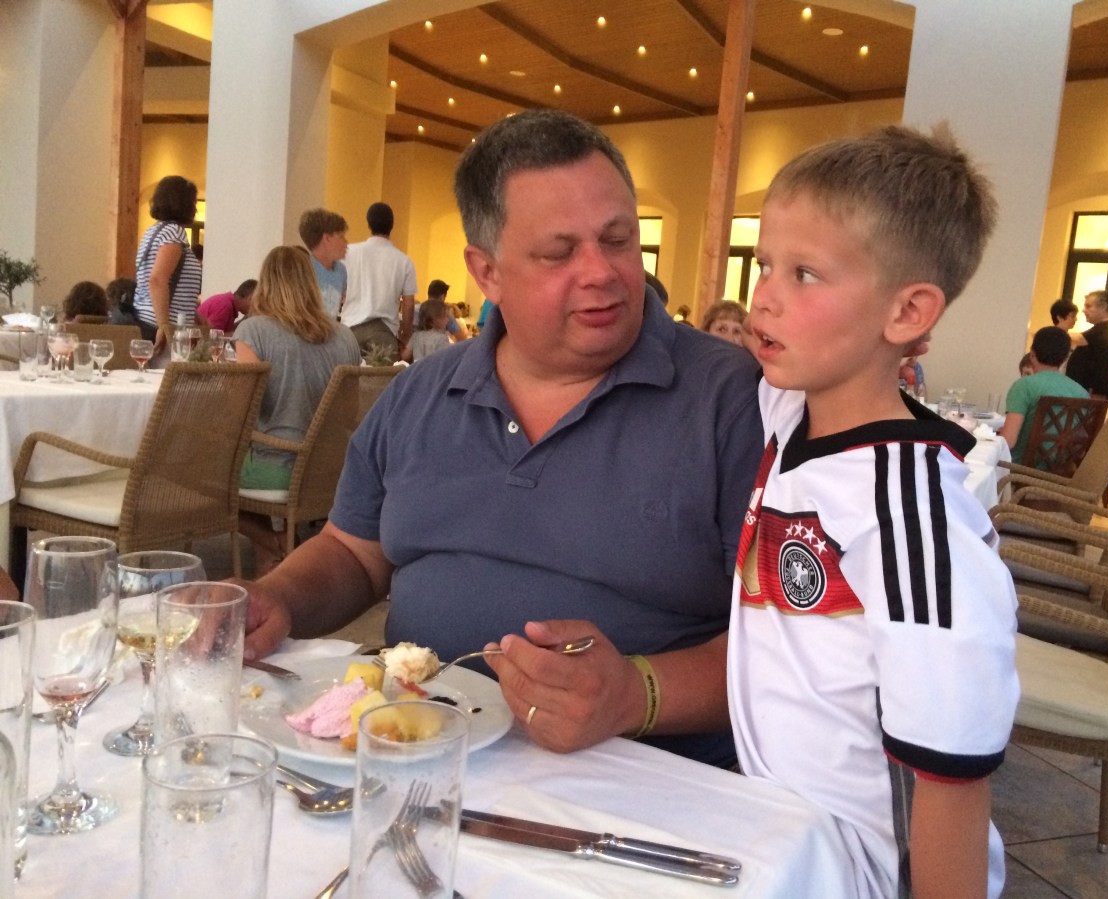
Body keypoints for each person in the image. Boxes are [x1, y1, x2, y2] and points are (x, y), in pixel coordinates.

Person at [237, 109, 763, 767]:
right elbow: (354, 551)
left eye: (619, 239)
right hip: (416, 759)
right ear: (486, 273)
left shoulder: (734, 401)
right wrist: (279, 598)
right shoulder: (418, 395)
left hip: (644, 786)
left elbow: (802, 655)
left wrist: (639, 692)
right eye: (559, 252)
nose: (601, 271)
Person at [730, 125, 1018, 899]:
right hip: (777, 839)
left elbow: (951, 778)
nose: (764, 296)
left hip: (861, 874)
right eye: (763, 264)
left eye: (805, 274)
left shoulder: (911, 523)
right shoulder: (789, 410)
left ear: (907, 311)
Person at [233, 246, 361, 575]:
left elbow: (244, 409)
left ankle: (277, 544)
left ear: (266, 282)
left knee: (196, 477)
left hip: (279, 469)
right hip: (333, 470)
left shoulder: (253, 331)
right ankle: (277, 556)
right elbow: (351, 412)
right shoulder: (346, 337)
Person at [131, 175, 203, 352]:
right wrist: (164, 326)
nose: (195, 208)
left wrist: (195, 315)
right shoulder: (174, 232)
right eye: (193, 202)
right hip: (160, 325)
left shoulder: (154, 231)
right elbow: (157, 280)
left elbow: (172, 284)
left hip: (146, 318)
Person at [999, 327, 1089, 464]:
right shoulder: (1082, 393)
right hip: (1062, 470)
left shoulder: (1024, 386)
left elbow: (1008, 442)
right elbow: (1080, 445)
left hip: (1020, 467)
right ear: (1066, 357)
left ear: (1032, 354)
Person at [342, 202, 418, 362]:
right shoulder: (404, 261)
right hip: (384, 333)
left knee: (347, 377)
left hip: (350, 332)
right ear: (392, 225)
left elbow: (338, 290)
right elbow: (408, 304)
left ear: (368, 223)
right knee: (383, 378)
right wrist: (405, 335)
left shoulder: (348, 253)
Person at [1064, 289, 1108, 400]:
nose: (1083, 310)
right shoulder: (1105, 329)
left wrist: (1050, 333)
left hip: (1093, 393)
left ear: (1103, 307)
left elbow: (1075, 339)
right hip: (1088, 391)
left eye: (1088, 306)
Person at [298, 208, 349, 321]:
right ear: (327, 238)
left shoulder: (341, 270)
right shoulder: (304, 270)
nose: (346, 242)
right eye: (341, 236)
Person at [403, 298, 453, 363]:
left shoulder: (416, 335)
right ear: (436, 319)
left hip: (418, 368)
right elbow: (446, 359)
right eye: (446, 316)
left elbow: (405, 356)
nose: (448, 319)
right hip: (433, 368)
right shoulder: (442, 338)